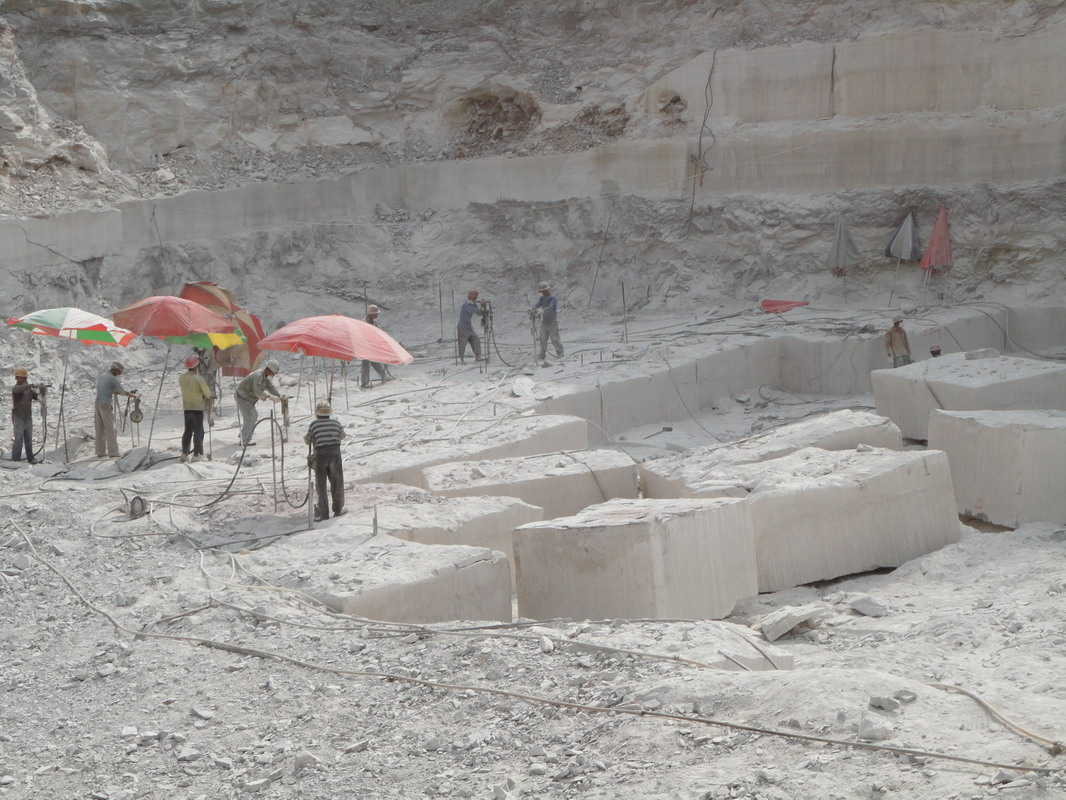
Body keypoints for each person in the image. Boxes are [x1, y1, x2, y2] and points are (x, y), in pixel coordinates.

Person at [305, 400, 346, 521]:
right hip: (335, 454)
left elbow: (308, 440)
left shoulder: (314, 425)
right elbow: (342, 436)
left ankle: (323, 513)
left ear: (317, 413)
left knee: (321, 484)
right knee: (337, 482)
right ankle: (338, 510)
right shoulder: (336, 423)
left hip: (321, 455)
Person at [234, 359, 282, 447]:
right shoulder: (258, 376)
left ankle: (243, 435)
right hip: (242, 397)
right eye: (273, 373)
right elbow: (258, 392)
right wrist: (270, 397)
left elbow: (270, 387)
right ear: (268, 370)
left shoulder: (265, 377)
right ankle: (245, 440)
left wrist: (279, 395)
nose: (274, 375)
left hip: (248, 398)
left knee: (252, 415)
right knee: (251, 416)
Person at [95, 362, 137, 458]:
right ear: (116, 369)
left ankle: (100, 452)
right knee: (111, 429)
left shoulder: (102, 376)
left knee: (100, 427)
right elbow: (123, 392)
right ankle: (113, 453)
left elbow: (111, 390)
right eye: (119, 372)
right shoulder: (112, 379)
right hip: (105, 403)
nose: (120, 374)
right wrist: (134, 395)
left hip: (98, 402)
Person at [178, 355, 213, 462]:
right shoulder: (198, 378)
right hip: (197, 408)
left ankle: (184, 453)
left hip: (187, 407)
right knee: (198, 431)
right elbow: (207, 394)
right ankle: (197, 454)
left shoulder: (182, 378)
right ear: (196, 367)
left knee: (188, 430)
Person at [11, 367, 38, 464]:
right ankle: (15, 459)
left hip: (27, 417)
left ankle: (31, 458)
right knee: (18, 438)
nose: (19, 379)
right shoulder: (16, 388)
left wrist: (41, 390)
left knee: (28, 438)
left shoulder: (29, 390)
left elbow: (36, 396)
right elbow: (19, 389)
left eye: (21, 377)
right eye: (18, 377)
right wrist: (32, 385)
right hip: (18, 416)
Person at [531, 281, 563, 362]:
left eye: (543, 291)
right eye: (541, 292)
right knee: (543, 338)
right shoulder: (542, 298)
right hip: (544, 321)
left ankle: (560, 353)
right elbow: (538, 304)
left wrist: (541, 311)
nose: (543, 293)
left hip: (552, 321)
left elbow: (550, 307)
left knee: (554, 338)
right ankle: (542, 354)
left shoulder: (552, 298)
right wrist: (533, 309)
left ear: (547, 290)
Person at [360, 304, 390, 388]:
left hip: (372, 346)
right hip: (365, 346)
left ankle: (384, 376)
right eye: (376, 313)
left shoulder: (373, 322)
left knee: (376, 361)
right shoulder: (364, 323)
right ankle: (364, 383)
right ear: (371, 314)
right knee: (366, 364)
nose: (377, 315)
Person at [457, 290, 484, 363]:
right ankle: (461, 359)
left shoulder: (473, 304)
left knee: (476, 339)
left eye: (475, 298)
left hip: (469, 326)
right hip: (462, 326)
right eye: (473, 298)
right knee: (462, 343)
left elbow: (478, 313)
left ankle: (478, 356)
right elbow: (472, 310)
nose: (474, 299)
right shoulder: (465, 305)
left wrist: (482, 306)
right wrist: (478, 307)